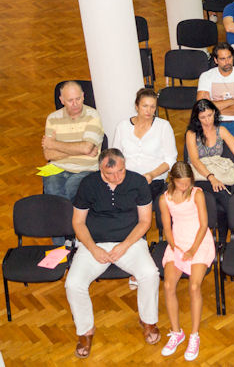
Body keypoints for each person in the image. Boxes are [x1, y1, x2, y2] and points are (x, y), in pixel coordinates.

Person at [66, 149, 160, 359]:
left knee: (150, 274)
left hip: (130, 242)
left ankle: (148, 321)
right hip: (94, 243)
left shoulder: (138, 182)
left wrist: (125, 245)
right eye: (110, 174)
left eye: (121, 171)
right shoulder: (88, 184)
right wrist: (93, 248)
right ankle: (85, 331)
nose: (117, 177)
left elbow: (145, 221)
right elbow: (78, 222)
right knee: (73, 283)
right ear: (100, 169)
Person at [158, 162, 215, 361]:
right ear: (172, 180)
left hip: (199, 242)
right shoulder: (164, 199)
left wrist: (192, 250)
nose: (185, 186)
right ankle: (176, 332)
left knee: (194, 286)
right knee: (168, 285)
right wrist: (174, 247)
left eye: (188, 182)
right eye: (181, 183)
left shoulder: (197, 194)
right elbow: (167, 228)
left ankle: (194, 335)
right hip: (177, 243)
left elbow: (204, 225)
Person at [185, 99, 234, 243]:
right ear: (197, 118)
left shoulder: (221, 130)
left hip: (218, 173)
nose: (207, 120)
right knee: (221, 193)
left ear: (214, 113)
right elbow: (195, 160)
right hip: (200, 176)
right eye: (203, 117)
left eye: (209, 115)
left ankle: (221, 242)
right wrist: (211, 177)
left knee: (221, 205)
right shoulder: (191, 134)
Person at [42, 81, 103, 208]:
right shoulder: (52, 118)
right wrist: (81, 150)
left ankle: (65, 217)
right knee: (52, 194)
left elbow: (86, 148)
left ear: (83, 96)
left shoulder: (93, 116)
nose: (75, 104)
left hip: (86, 169)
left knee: (71, 191)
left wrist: (54, 144)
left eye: (78, 99)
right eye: (70, 100)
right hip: (55, 167)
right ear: (62, 100)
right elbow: (48, 155)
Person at [111, 87, 177, 201]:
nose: (149, 111)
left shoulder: (164, 126)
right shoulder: (122, 126)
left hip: (154, 181)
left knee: (136, 202)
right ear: (136, 106)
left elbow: (170, 160)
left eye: (152, 107)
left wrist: (152, 175)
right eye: (145, 106)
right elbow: (115, 156)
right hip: (126, 179)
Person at [196, 42, 234, 153]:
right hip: (211, 123)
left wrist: (212, 108)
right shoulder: (206, 76)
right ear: (216, 60)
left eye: (229, 57)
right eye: (222, 59)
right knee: (207, 158)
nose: (227, 62)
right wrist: (233, 101)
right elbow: (202, 108)